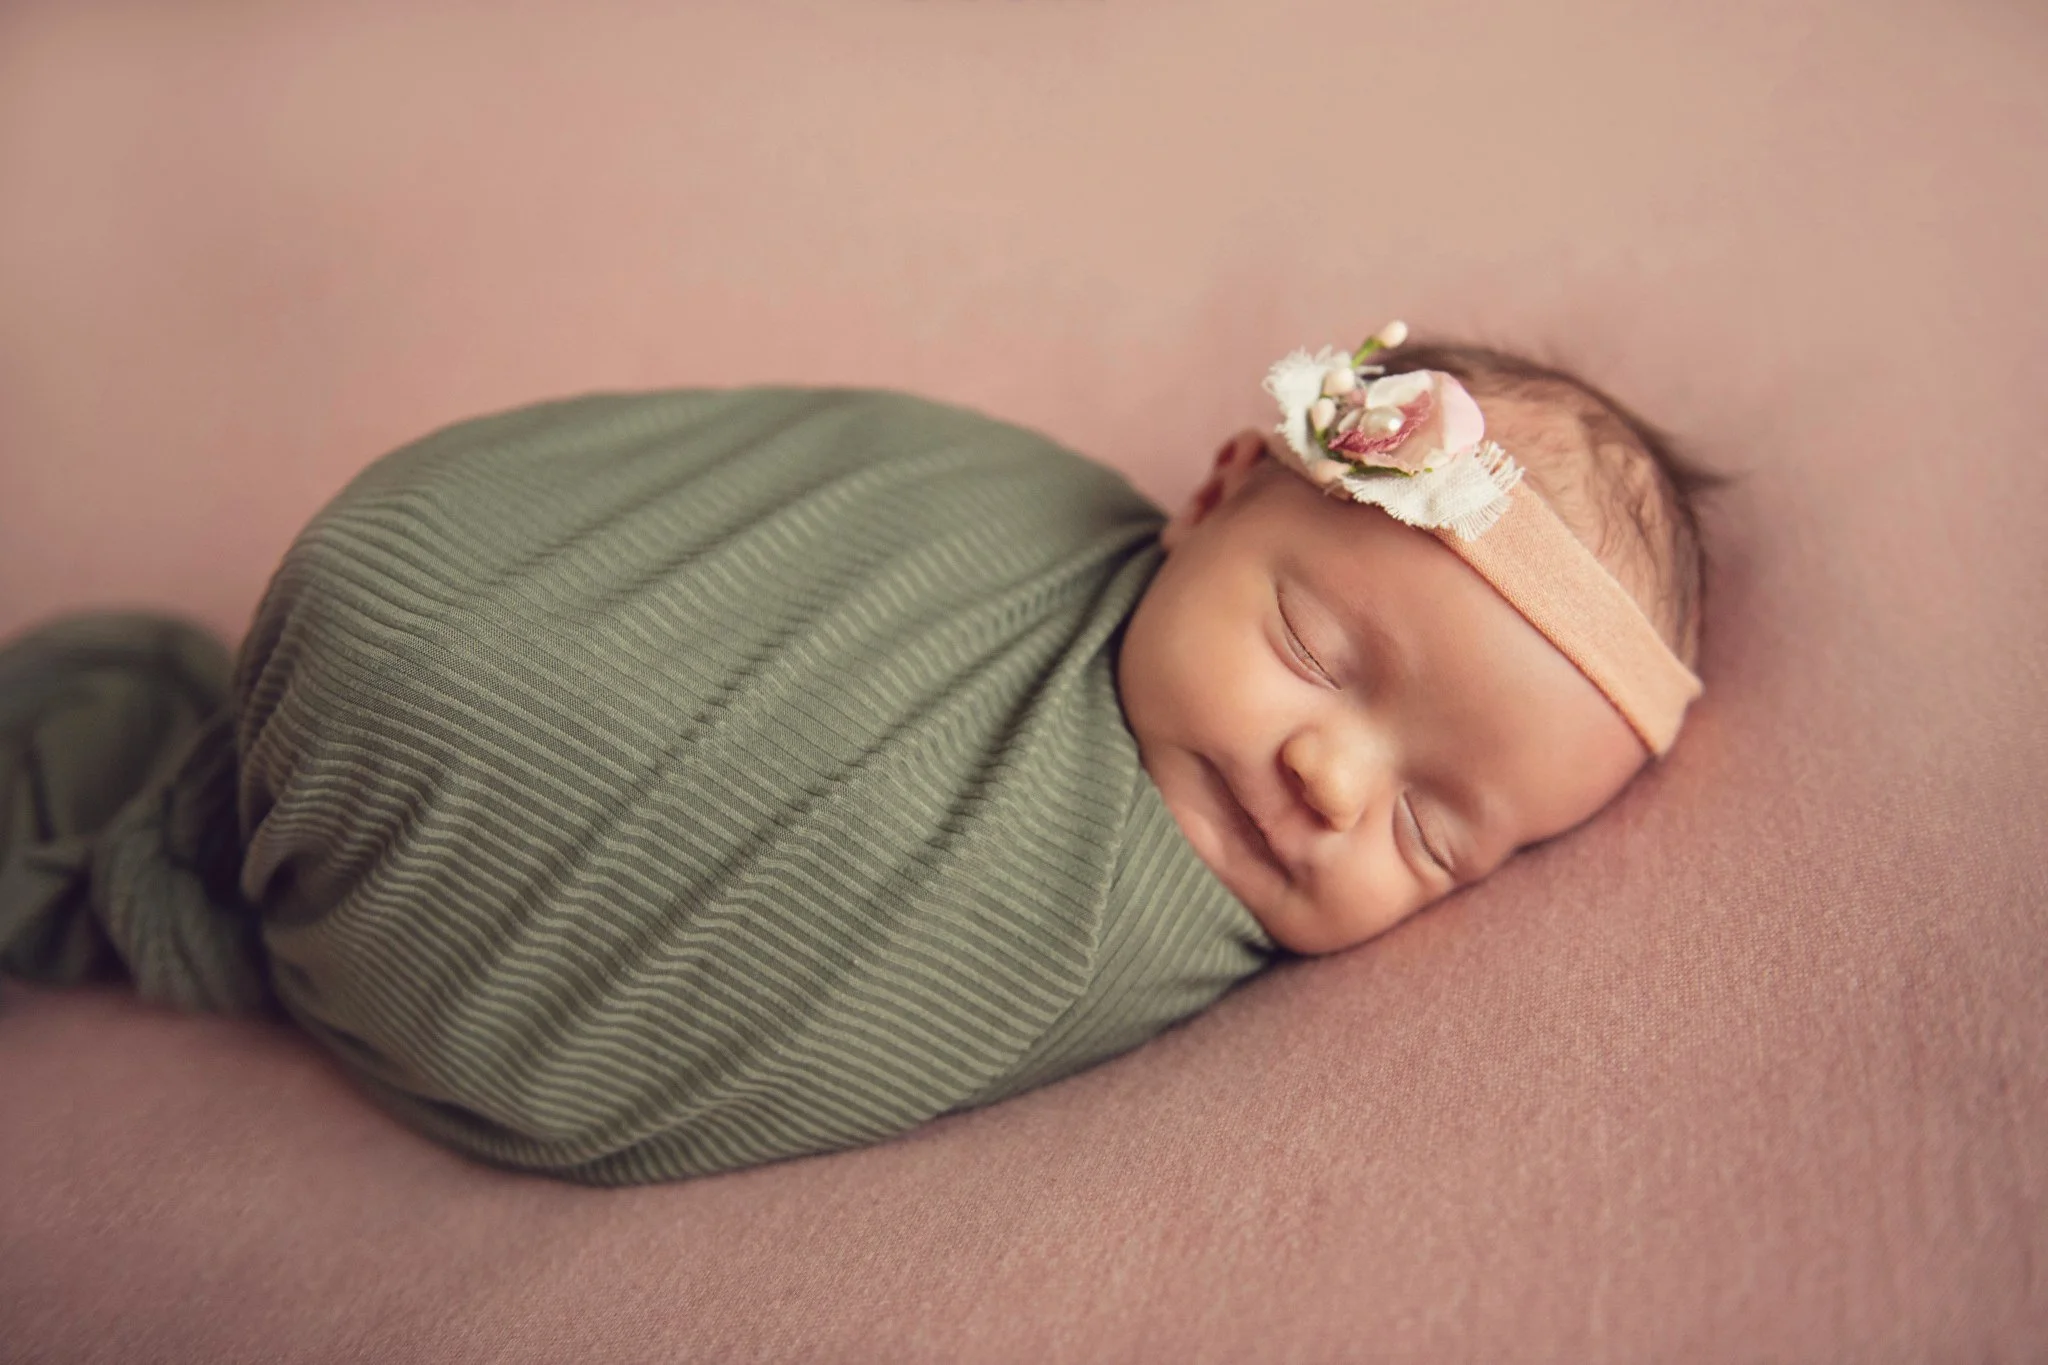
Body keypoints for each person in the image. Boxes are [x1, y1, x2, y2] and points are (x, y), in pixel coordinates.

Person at [0, 324, 1716, 1184]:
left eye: (1434, 834)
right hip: (419, 617)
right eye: (1315, 653)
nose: (1330, 783)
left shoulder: (1148, 930)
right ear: (1209, 497)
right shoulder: (994, 499)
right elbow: (781, 490)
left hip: (455, 909)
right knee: (434, 629)